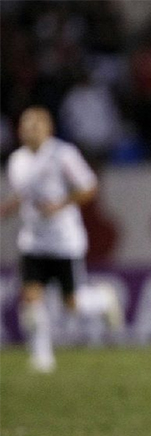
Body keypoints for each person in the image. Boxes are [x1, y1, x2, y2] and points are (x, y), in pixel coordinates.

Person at [0, 106, 122, 373]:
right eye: (25, 125)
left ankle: (103, 299)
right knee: (31, 299)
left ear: (48, 128)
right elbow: (22, 194)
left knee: (72, 304)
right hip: (33, 240)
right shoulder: (17, 160)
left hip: (64, 240)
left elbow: (89, 186)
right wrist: (6, 209)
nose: (30, 130)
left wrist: (61, 204)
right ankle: (42, 357)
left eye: (35, 125)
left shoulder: (62, 154)